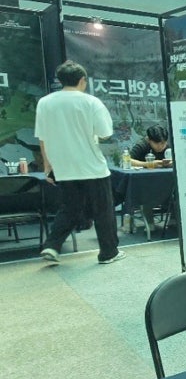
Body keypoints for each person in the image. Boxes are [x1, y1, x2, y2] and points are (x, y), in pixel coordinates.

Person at [34, 60, 125, 265]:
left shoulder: (45, 103)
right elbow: (105, 133)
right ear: (83, 80)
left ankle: (52, 245)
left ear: (60, 80)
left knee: (69, 208)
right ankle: (108, 253)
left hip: (63, 168)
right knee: (103, 210)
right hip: (92, 167)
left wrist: (47, 165)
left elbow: (42, 137)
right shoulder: (91, 102)